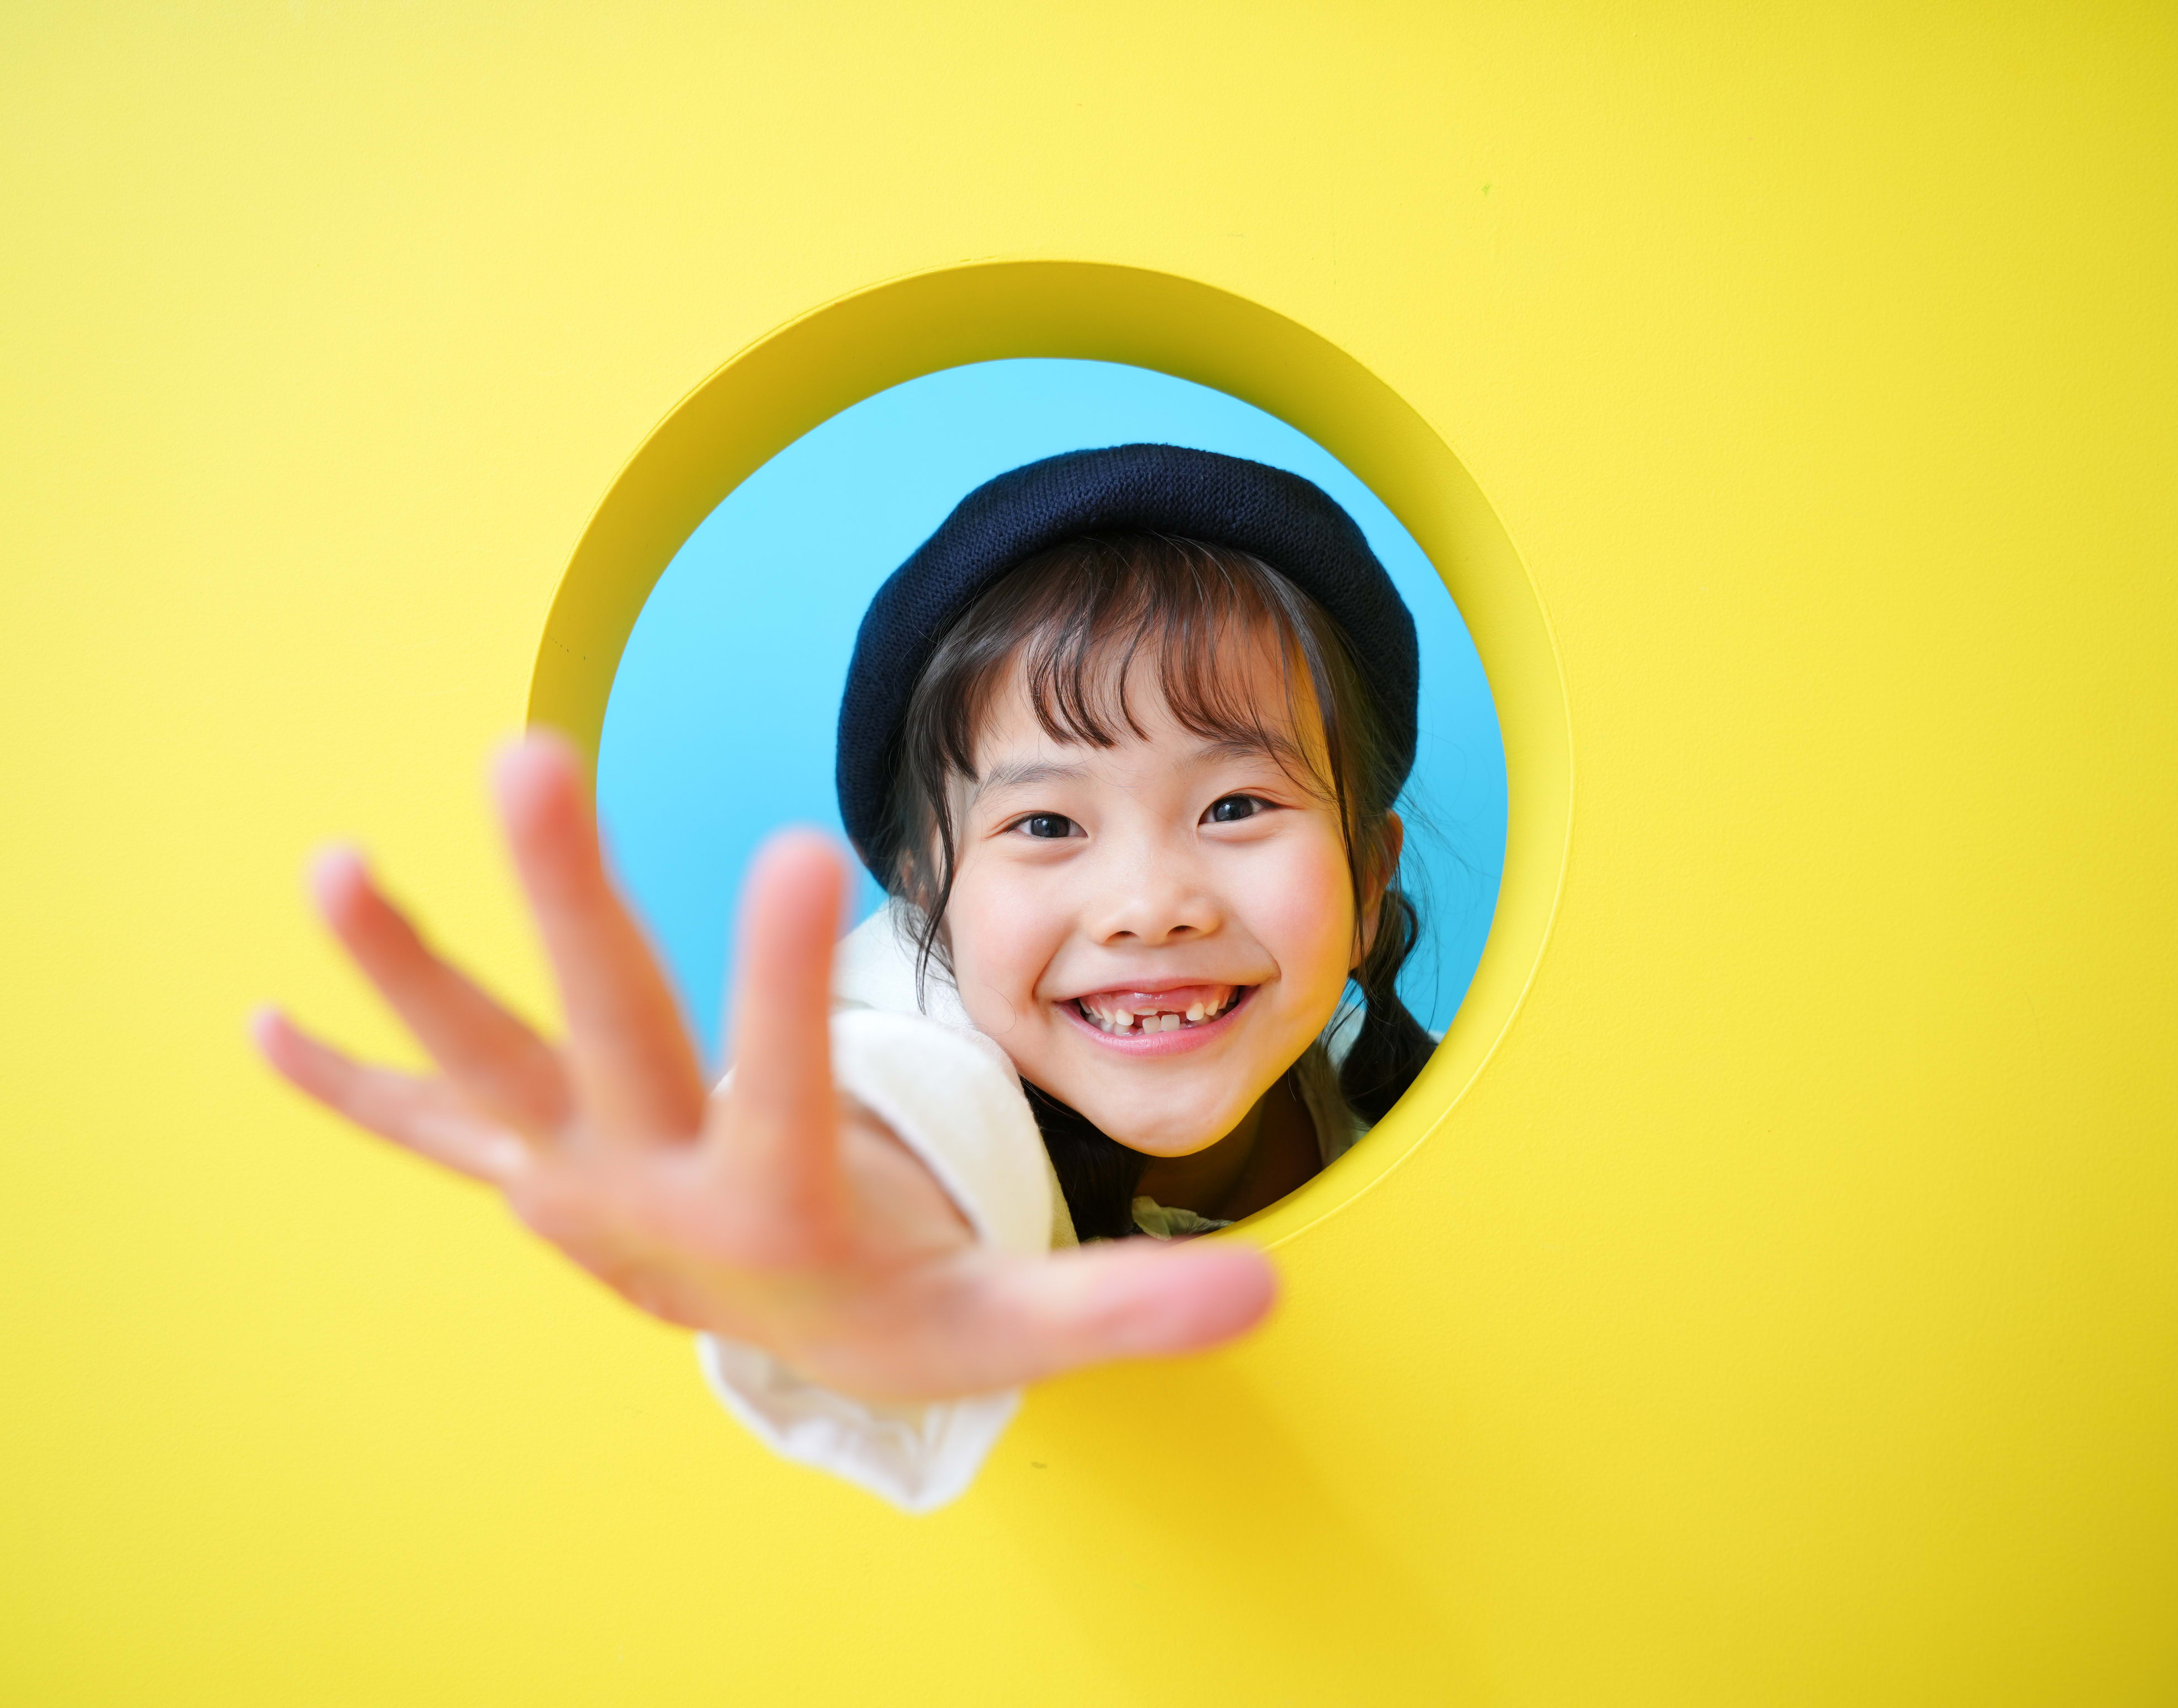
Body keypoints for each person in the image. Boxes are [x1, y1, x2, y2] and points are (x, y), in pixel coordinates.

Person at [252, 445, 1437, 1509]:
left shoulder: (1391, 1096)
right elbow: (896, 1102)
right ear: (926, 895)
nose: (1147, 906)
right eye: (1045, 826)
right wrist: (851, 1231)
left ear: (1367, 877)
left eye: (1236, 805)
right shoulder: (903, 1020)